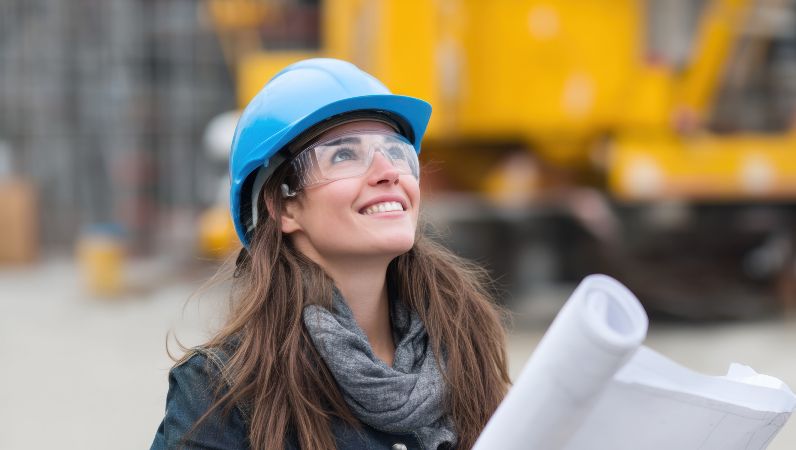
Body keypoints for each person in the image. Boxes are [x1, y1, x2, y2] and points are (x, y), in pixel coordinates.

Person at [150, 58, 510, 450]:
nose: (387, 171)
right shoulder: (221, 392)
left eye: (395, 151)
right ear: (284, 206)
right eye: (344, 155)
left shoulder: (464, 347)